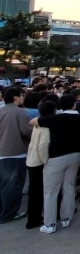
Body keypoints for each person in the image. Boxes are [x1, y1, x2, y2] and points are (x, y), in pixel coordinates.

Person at [31, 94, 80, 233]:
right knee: (69, 186)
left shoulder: (54, 118)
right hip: (75, 155)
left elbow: (33, 121)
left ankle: (49, 224)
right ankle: (66, 218)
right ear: (74, 104)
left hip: (55, 158)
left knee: (50, 191)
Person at [0, 87, 32, 224]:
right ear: (15, 97)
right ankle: (9, 214)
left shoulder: (1, 110)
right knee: (13, 186)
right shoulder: (20, 112)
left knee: (3, 185)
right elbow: (27, 131)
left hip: (2, 153)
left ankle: (3, 211)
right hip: (15, 153)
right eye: (21, 95)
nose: (23, 97)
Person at [25, 100, 56, 229]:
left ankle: (33, 218)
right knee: (39, 191)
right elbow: (43, 146)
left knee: (34, 191)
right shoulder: (45, 126)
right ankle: (35, 219)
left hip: (31, 159)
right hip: (39, 162)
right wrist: (45, 161)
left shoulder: (37, 123)